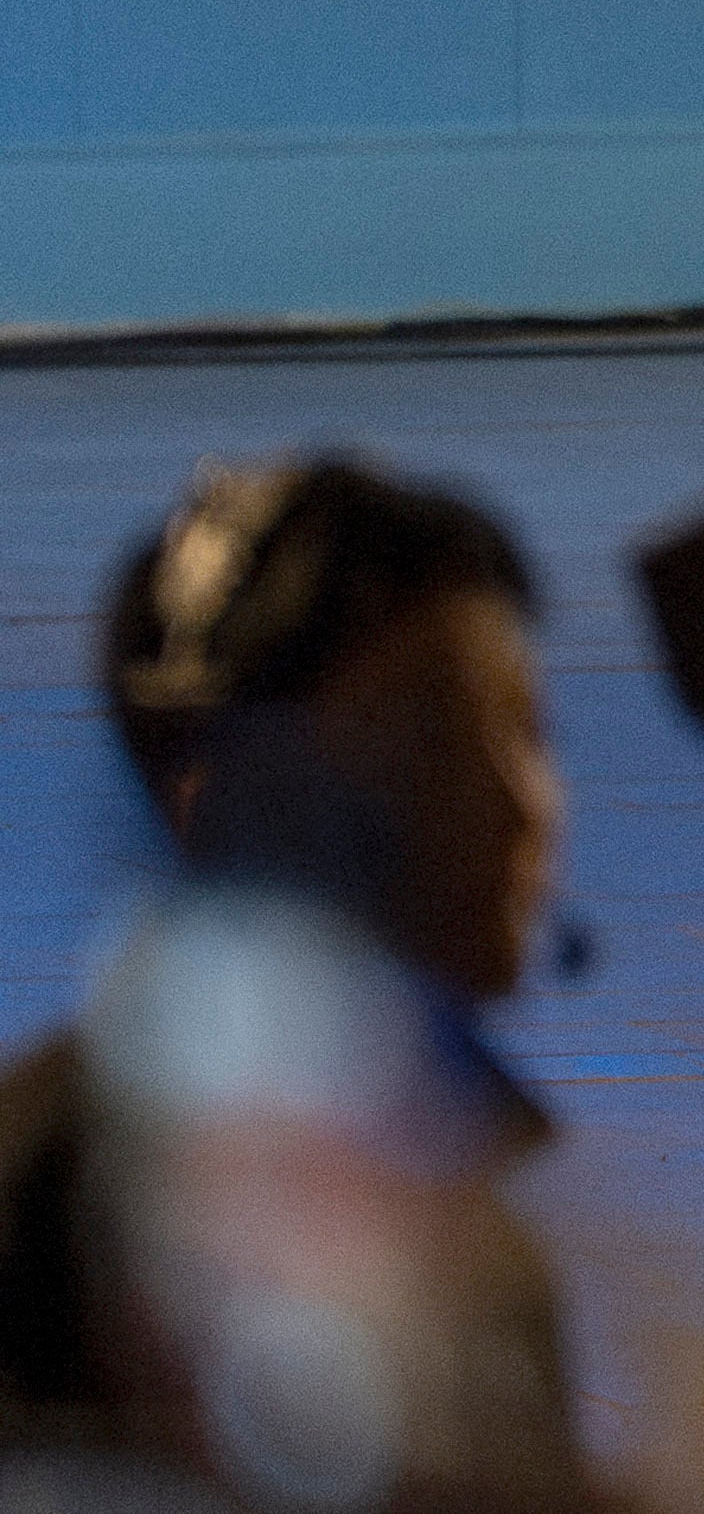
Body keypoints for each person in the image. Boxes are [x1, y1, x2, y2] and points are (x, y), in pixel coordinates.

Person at [1, 457, 602, 1507]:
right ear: (226, 804)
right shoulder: (42, 1223)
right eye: (434, 746)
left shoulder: (478, 1227)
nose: (520, 809)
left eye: (530, 733)